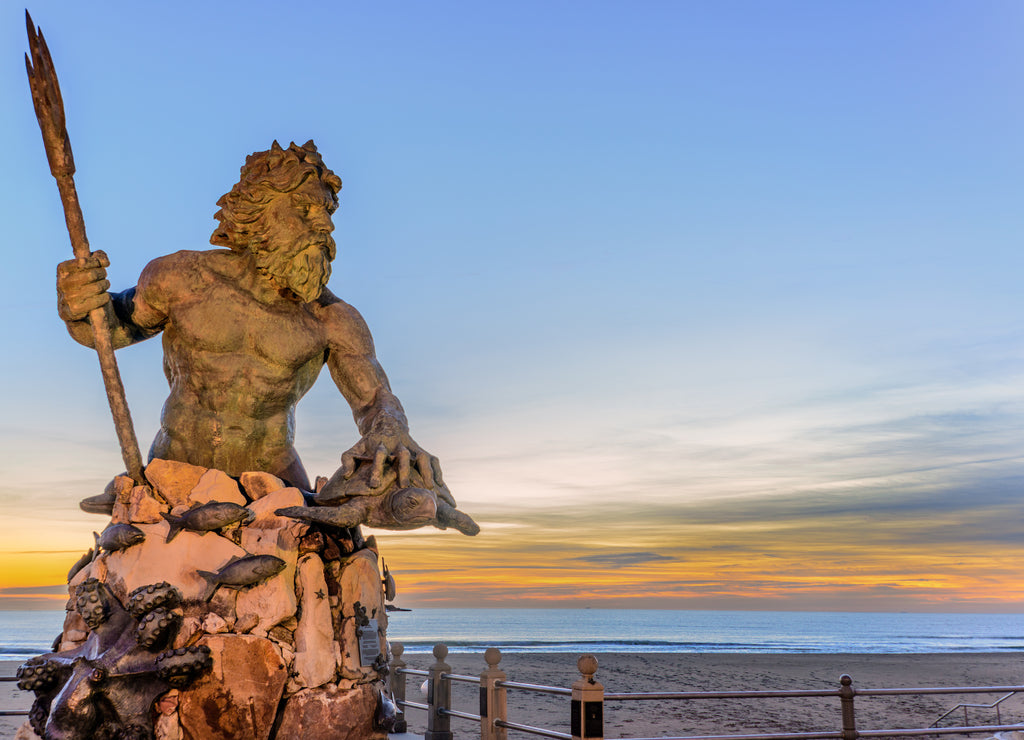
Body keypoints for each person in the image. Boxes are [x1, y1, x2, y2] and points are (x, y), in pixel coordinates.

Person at [57, 140, 453, 509]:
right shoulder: (180, 279)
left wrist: (390, 428)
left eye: (328, 213)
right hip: (174, 474)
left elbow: (374, 400)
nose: (325, 227)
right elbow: (107, 332)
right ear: (260, 211)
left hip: (275, 485)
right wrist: (79, 306)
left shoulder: (332, 320)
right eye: (305, 210)